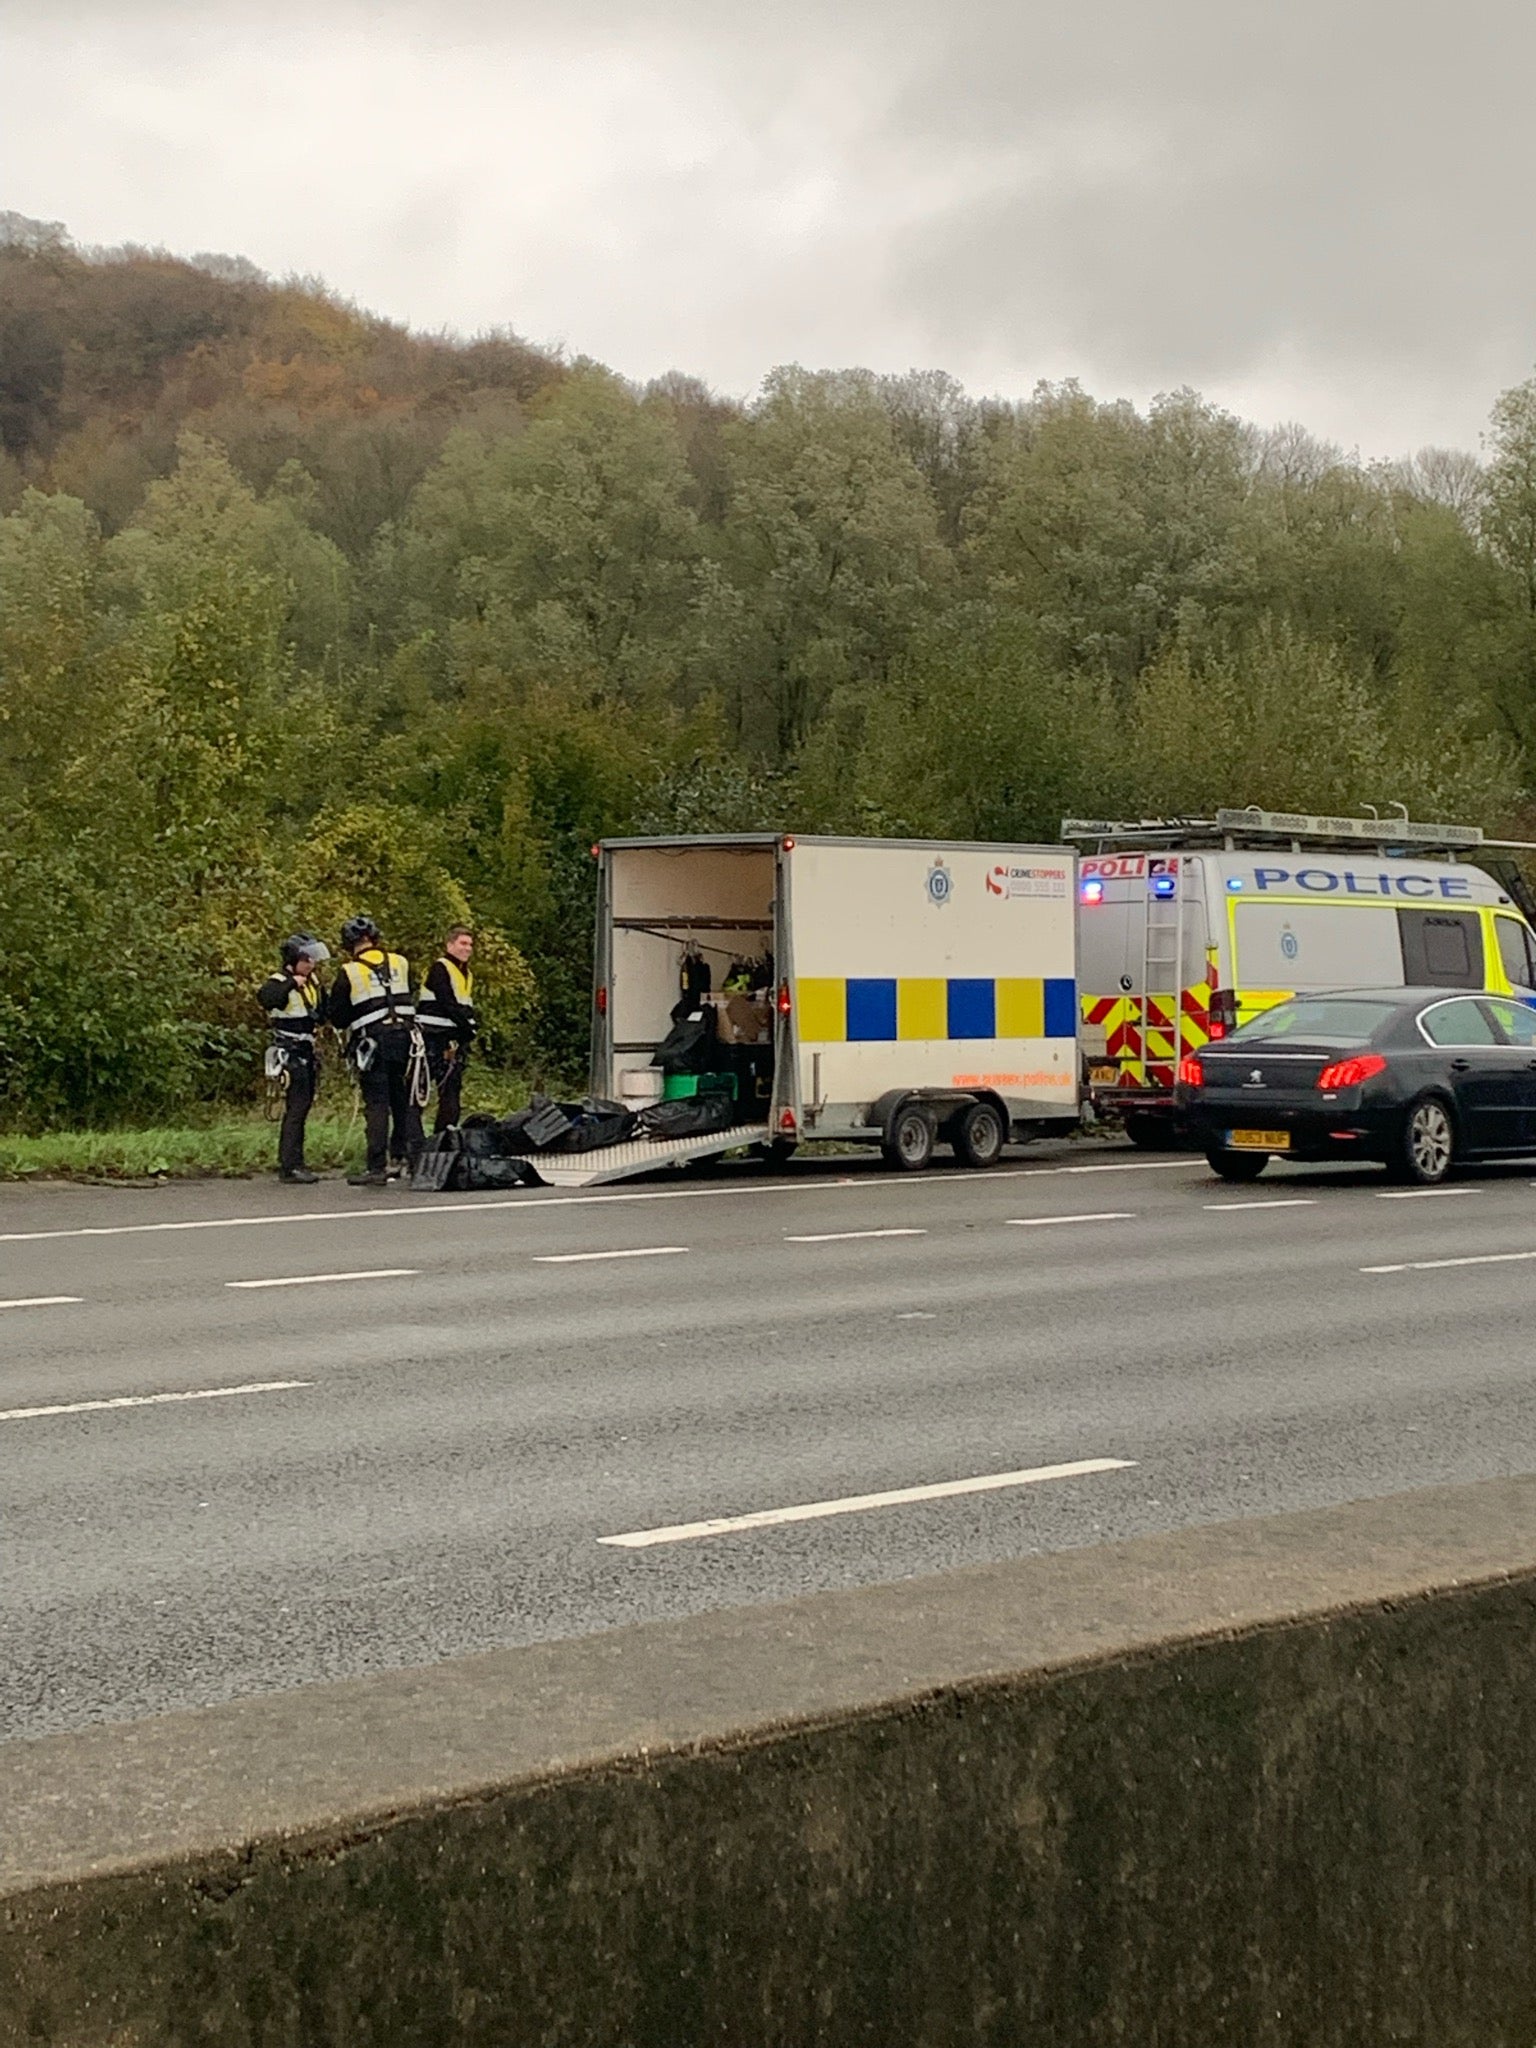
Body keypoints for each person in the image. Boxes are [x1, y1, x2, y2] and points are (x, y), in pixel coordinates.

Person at [326, 914, 425, 1188]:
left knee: (378, 1105)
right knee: (405, 1100)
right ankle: (411, 1160)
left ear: (348, 944)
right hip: (406, 1039)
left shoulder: (349, 972)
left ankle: (376, 1167)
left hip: (373, 1044)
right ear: (375, 938)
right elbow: (410, 992)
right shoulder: (400, 962)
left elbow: (339, 1017)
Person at [256, 936, 330, 1184]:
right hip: (290, 1050)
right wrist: (291, 984)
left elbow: (321, 1015)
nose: (311, 964)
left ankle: (296, 1161)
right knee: (296, 1109)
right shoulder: (278, 981)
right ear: (292, 960)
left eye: (312, 960)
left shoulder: (313, 983)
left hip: (307, 1049)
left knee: (304, 1106)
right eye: (306, 960)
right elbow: (267, 998)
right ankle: (290, 1165)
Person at [417, 926, 476, 1133]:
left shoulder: (465, 972)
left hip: (453, 1038)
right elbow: (447, 1002)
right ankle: (411, 1142)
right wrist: (467, 1027)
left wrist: (469, 1026)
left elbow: (463, 1005)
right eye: (463, 943)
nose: (467, 948)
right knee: (419, 1091)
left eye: (470, 944)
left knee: (451, 1092)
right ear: (449, 944)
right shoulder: (440, 968)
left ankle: (444, 1138)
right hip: (432, 1036)